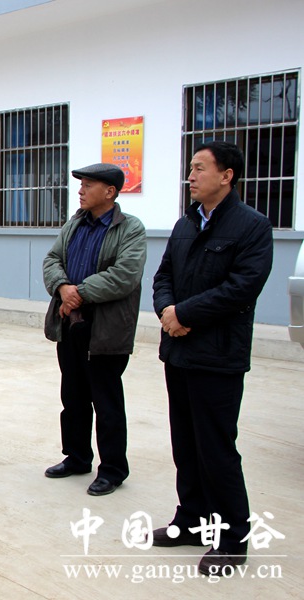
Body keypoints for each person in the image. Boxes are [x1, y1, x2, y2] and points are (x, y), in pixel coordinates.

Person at [152, 141, 273, 575]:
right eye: (190, 168)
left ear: (227, 175)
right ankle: (191, 521)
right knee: (185, 445)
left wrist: (184, 314)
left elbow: (242, 288)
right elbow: (163, 276)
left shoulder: (252, 226)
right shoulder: (185, 223)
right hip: (179, 353)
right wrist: (167, 311)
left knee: (216, 450)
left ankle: (232, 539)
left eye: (200, 168)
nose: (191, 176)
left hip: (218, 357)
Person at [41, 163, 146, 496]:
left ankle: (112, 469)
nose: (81, 190)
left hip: (106, 328)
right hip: (70, 323)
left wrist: (79, 293)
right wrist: (63, 288)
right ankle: (76, 457)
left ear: (110, 192)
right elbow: (52, 260)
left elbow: (124, 275)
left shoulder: (130, 228)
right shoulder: (74, 224)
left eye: (88, 185)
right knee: (73, 397)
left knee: (106, 400)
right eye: (81, 184)